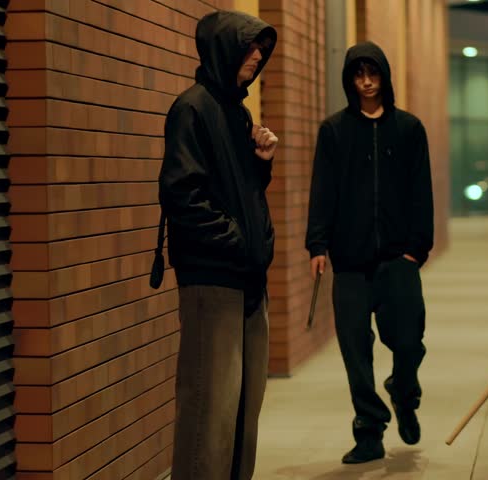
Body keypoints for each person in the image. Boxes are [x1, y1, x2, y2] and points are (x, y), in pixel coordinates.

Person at [156, 10, 278, 480]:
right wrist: (239, 242)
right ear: (223, 49)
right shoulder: (192, 109)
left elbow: (239, 191)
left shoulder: (235, 112)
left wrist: (261, 162)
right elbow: (182, 196)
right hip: (212, 281)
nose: (257, 56)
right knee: (210, 414)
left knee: (243, 412)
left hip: (248, 280)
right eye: (249, 47)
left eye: (261, 49)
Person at [306, 41, 434, 464]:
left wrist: (417, 249)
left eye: (372, 73)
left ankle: (404, 392)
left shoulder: (409, 129)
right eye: (358, 75)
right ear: (350, 80)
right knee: (355, 350)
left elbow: (421, 192)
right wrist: (318, 244)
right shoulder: (334, 131)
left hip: (399, 260)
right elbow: (322, 191)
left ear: (384, 76)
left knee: (409, 341)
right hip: (350, 262)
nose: (366, 82)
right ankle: (369, 431)